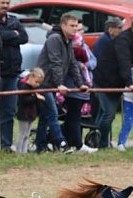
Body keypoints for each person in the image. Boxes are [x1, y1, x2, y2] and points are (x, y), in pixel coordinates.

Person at [35, 13, 91, 153]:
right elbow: (55, 62)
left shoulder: (68, 41)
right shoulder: (55, 39)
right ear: (63, 25)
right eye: (72, 26)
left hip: (51, 84)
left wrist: (80, 84)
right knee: (52, 113)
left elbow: (72, 64)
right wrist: (59, 83)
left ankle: (40, 145)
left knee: (45, 116)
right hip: (43, 82)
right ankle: (61, 143)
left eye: (76, 26)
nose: (75, 29)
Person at [94, 16, 133, 149]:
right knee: (108, 113)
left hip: (118, 81)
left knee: (104, 113)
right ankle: (102, 144)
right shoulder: (122, 41)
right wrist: (130, 83)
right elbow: (123, 62)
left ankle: (98, 140)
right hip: (105, 81)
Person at [0, 0, 27, 152]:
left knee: (9, 110)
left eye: (7, 2)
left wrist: (2, 35)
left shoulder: (14, 20)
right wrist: (13, 34)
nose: (5, 5)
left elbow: (24, 37)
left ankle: (6, 145)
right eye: (2, 2)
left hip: (12, 73)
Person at [15, 68, 44, 154]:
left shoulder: (34, 89)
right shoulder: (23, 87)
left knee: (27, 135)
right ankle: (19, 151)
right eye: (36, 82)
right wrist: (36, 97)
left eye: (39, 83)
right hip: (24, 114)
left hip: (31, 114)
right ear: (31, 77)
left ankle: (24, 151)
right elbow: (24, 100)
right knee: (22, 134)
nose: (37, 84)